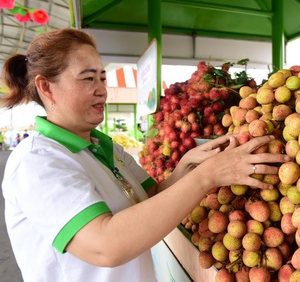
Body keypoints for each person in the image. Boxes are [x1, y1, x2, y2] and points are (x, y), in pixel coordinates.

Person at [0, 28, 290, 282]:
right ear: (46, 87)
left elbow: (150, 200)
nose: (102, 90)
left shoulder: (106, 147)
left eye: (102, 77)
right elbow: (105, 245)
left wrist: (186, 166)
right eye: (88, 79)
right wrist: (207, 175)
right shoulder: (37, 161)